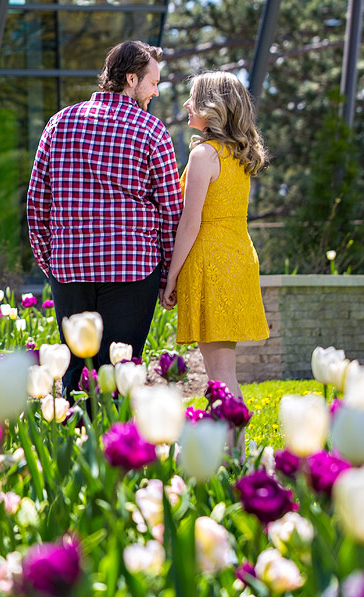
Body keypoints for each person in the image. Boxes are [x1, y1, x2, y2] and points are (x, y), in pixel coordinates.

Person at [27, 40, 184, 395]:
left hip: (71, 270)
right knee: (117, 376)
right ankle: (113, 447)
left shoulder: (59, 123)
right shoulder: (152, 131)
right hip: (132, 272)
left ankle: (71, 442)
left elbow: (37, 202)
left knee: (76, 376)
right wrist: (166, 278)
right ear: (131, 79)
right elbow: (171, 212)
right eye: (153, 83)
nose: (156, 92)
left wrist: (52, 263)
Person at [160, 71, 270, 401]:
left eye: (193, 98)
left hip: (212, 264)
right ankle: (231, 448)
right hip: (237, 259)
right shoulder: (237, 154)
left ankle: (235, 450)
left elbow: (190, 223)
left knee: (219, 375)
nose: (186, 105)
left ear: (212, 106)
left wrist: (171, 279)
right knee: (223, 370)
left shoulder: (203, 155)